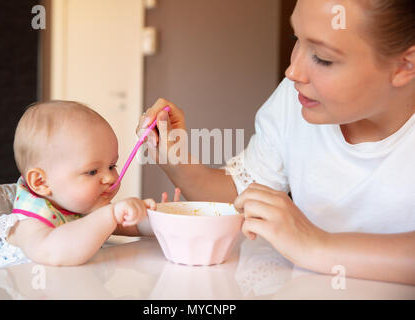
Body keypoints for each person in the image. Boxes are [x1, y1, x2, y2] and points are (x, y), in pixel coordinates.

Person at [137, 0, 415, 284]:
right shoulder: (295, 100)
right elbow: (241, 195)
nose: (292, 71)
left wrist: (314, 245)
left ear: (405, 65)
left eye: (322, 57)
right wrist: (177, 161)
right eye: (297, 39)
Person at [0, 101, 179, 270]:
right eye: (92, 171)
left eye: (111, 166)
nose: (110, 178)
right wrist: (110, 215)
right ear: (41, 182)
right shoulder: (27, 222)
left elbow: (136, 226)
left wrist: (162, 219)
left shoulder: (82, 207)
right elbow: (53, 253)